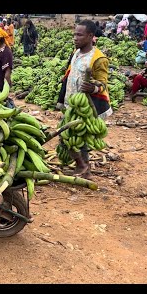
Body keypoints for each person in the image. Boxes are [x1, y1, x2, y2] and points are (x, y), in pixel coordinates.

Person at [61, 20, 112, 179]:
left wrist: (93, 88)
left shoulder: (98, 58)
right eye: (74, 34)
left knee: (72, 136)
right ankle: (83, 168)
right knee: (74, 137)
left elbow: (103, 82)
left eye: (79, 35)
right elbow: (68, 76)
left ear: (90, 36)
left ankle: (83, 168)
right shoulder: (76, 53)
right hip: (72, 102)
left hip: (86, 105)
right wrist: (61, 99)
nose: (75, 38)